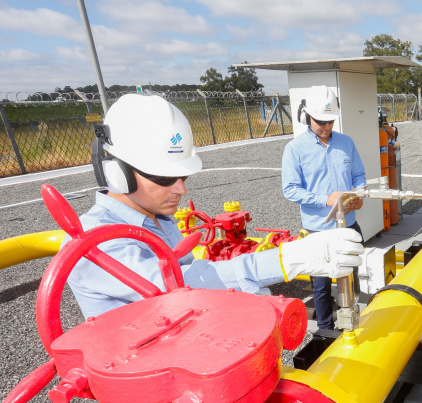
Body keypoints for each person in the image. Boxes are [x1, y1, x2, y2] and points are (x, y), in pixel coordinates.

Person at [67, 93, 363, 319]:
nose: (181, 189)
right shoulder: (92, 240)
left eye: (182, 176)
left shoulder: (158, 218)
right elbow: (174, 284)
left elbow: (194, 278)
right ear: (115, 172)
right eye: (166, 178)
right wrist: (285, 260)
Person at [281, 86, 367, 330]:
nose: (326, 127)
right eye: (321, 122)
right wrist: (325, 199)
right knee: (320, 284)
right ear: (307, 116)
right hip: (318, 229)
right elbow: (290, 190)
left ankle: (352, 318)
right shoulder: (295, 149)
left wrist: (358, 194)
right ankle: (326, 330)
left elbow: (359, 174)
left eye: (330, 121)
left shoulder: (346, 143)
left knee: (350, 275)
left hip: (348, 224)